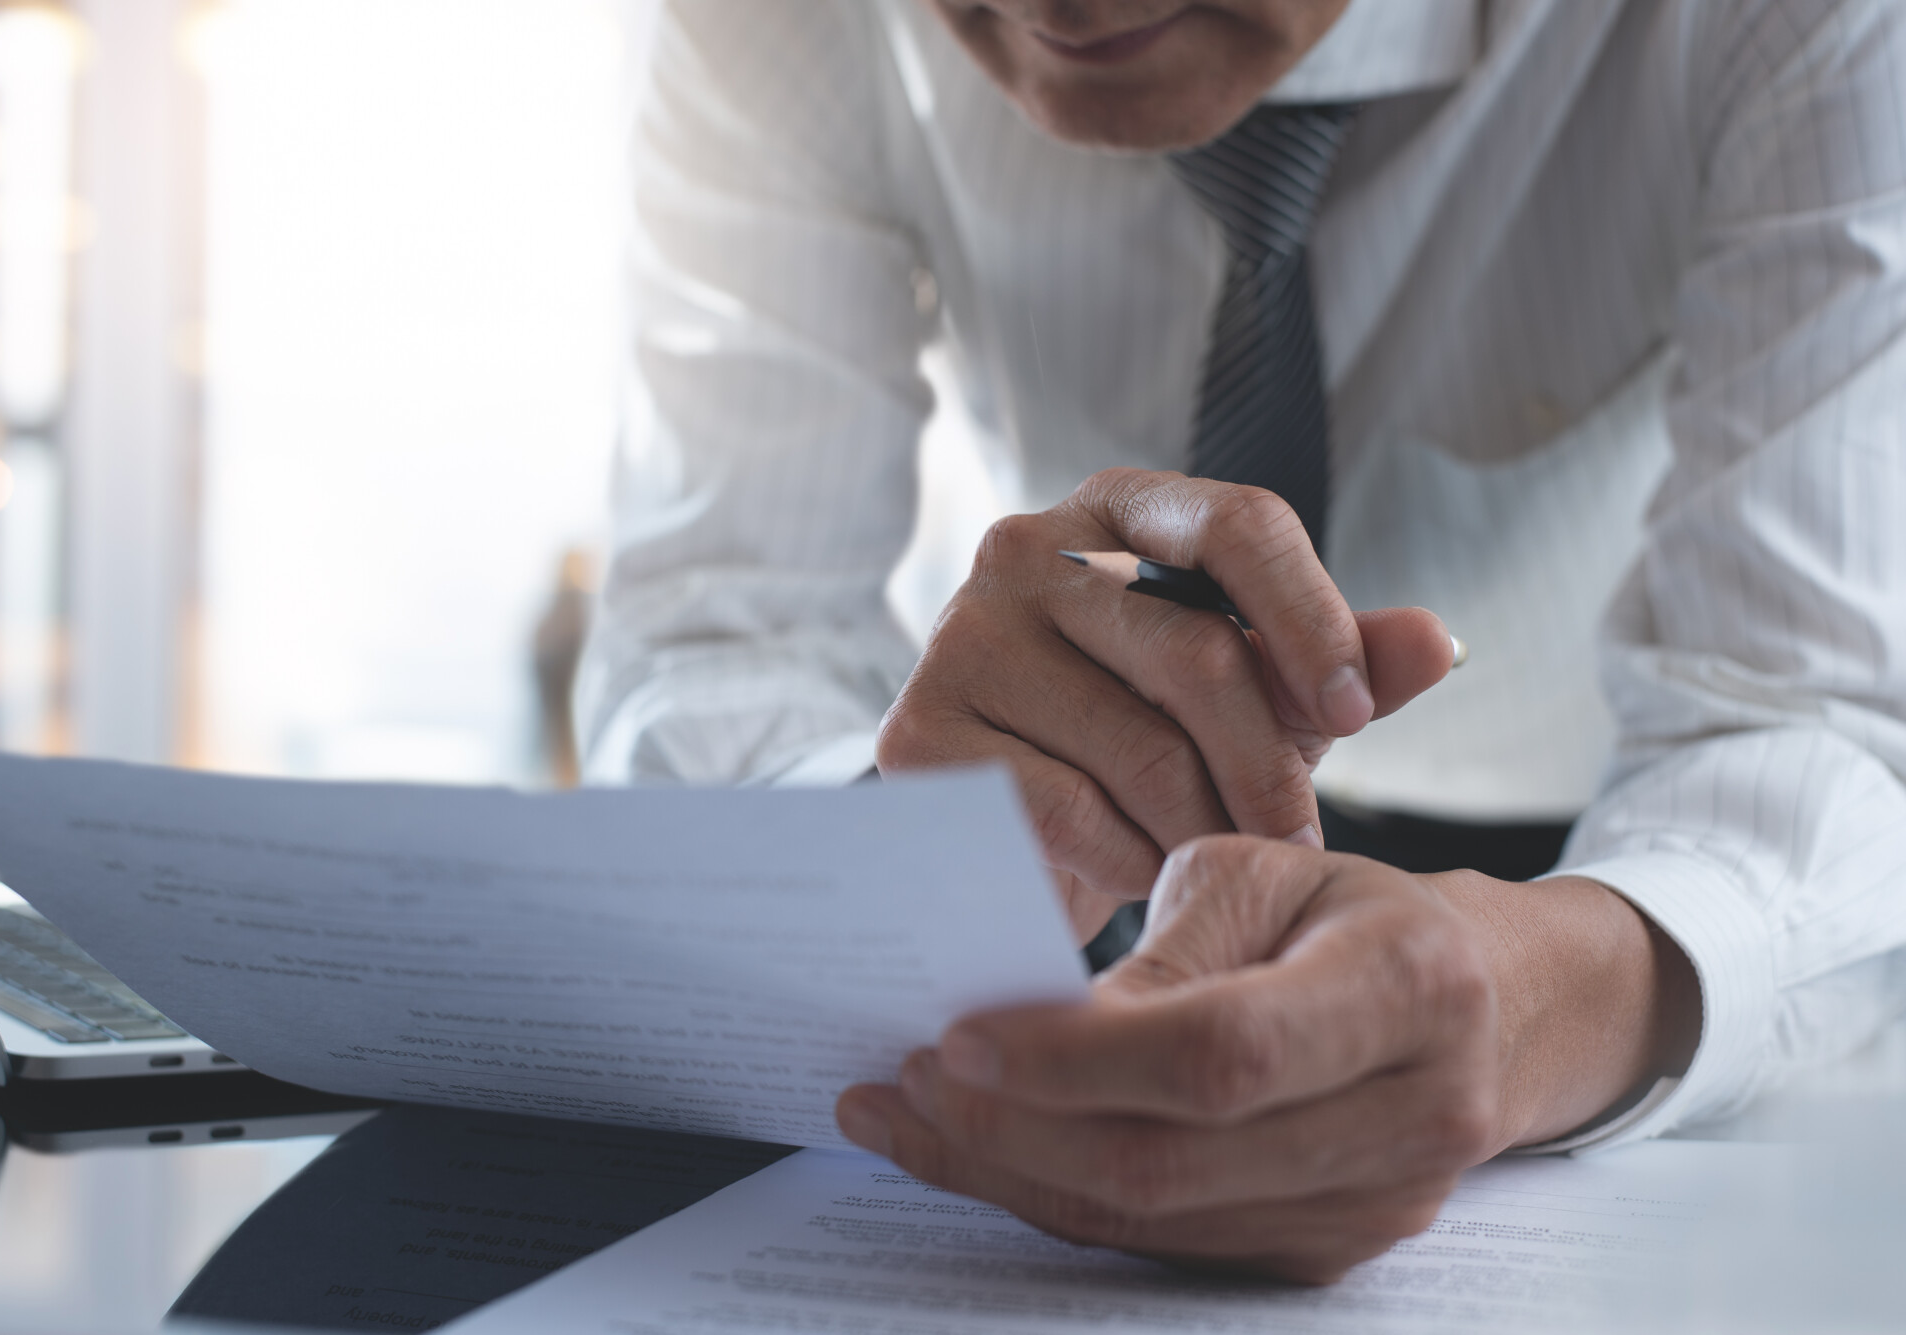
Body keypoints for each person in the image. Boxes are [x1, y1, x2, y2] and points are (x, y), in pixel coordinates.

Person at [576, 0, 1906, 1281]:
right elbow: (717, 630)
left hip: (1622, 876)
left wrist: (1548, 1006)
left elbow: (1820, 724)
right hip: (1094, 853)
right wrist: (880, 847)